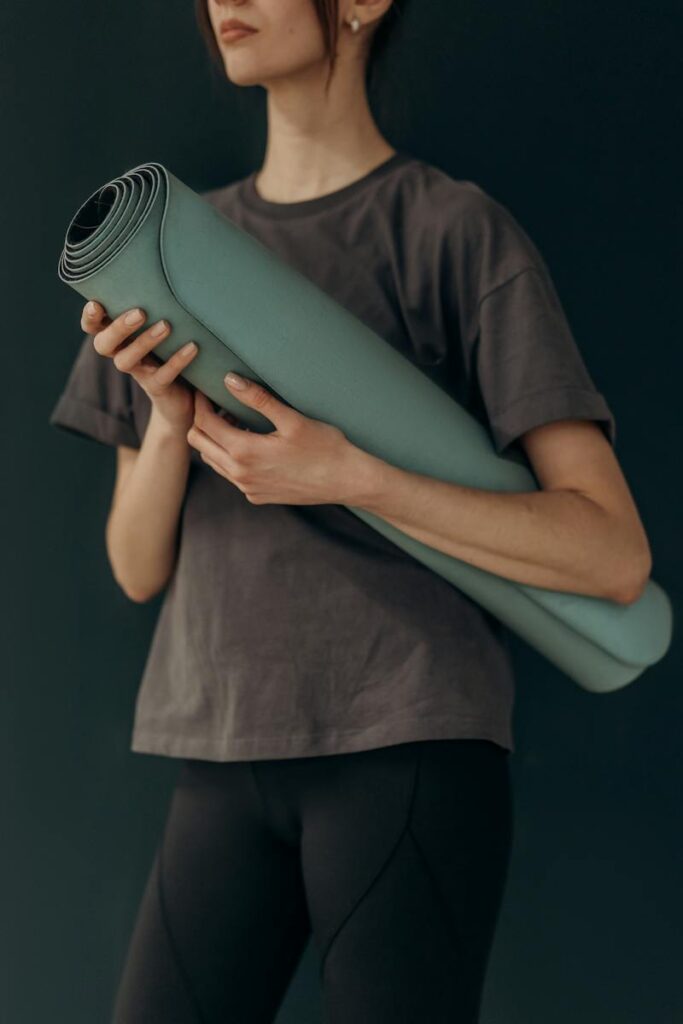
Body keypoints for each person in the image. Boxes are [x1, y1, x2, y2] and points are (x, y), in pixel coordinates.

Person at [48, 1, 652, 1021]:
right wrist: (166, 417)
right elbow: (137, 567)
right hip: (222, 746)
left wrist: (351, 475)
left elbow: (612, 554)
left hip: (405, 746)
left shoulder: (450, 232)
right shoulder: (162, 247)